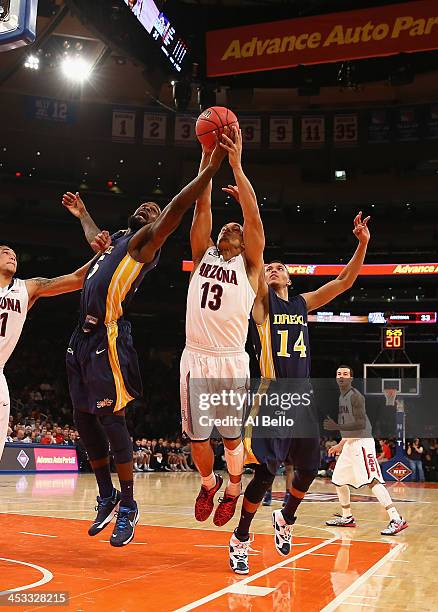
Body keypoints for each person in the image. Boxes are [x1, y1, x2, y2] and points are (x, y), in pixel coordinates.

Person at [61, 139, 227, 547]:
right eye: (145, 208)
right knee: (84, 419)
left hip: (108, 336)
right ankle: (106, 495)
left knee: (110, 418)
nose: (149, 211)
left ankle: (131, 505)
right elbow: (94, 244)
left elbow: (173, 209)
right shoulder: (117, 238)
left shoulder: (143, 243)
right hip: (79, 339)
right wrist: (83, 215)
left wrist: (206, 171)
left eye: (154, 211)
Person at [228, 212, 371, 575]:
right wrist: (247, 236)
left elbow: (343, 280)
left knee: (308, 468)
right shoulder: (261, 304)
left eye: (280, 267)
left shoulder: (302, 305)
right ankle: (240, 539)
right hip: (272, 396)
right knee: (265, 473)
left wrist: (363, 243)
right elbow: (254, 260)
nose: (273, 269)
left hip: (302, 398)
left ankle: (285, 517)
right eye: (269, 267)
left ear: (290, 277)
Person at [181, 127, 264, 527]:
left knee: (231, 438)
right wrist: (207, 157)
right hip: (195, 355)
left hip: (231, 360)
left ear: (247, 243)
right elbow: (201, 206)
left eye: (238, 228)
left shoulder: (251, 268)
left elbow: (253, 215)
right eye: (226, 226)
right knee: (198, 439)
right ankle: (209, 482)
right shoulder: (202, 256)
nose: (232, 226)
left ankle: (234, 487)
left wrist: (236, 163)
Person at [0, 245, 90, 461]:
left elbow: (77, 278)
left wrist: (107, 253)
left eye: (14, 254)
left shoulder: (26, 288)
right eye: (5, 253)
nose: (12, 256)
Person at [324, 365, 408, 535]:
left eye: (345, 374)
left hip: (362, 443)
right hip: (350, 444)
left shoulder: (355, 397)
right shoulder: (343, 397)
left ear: (351, 378)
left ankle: (396, 518)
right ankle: (347, 517)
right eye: (339, 373)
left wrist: (337, 430)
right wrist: (341, 444)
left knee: (373, 480)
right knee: (338, 480)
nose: (342, 376)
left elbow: (360, 426)